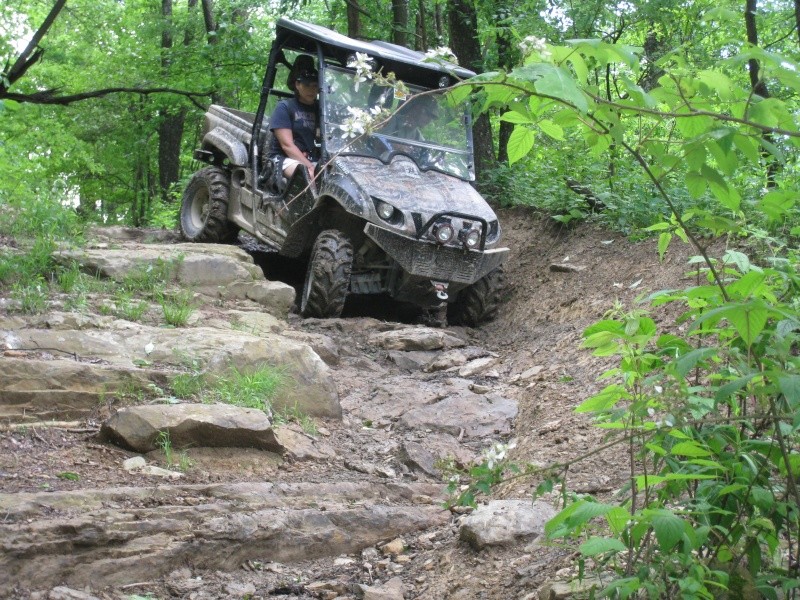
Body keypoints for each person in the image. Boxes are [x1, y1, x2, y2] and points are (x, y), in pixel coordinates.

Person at [268, 58, 320, 179]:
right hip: (284, 159)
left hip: (312, 158)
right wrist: (309, 166)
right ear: (297, 84)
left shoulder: (321, 110)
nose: (311, 89)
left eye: (315, 85)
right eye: (307, 85)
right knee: (307, 176)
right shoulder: (285, 107)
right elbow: (287, 146)